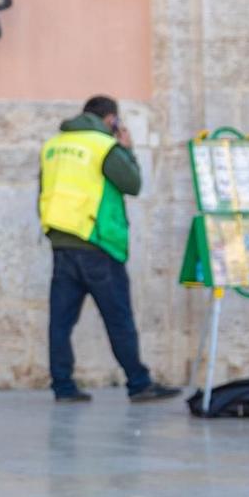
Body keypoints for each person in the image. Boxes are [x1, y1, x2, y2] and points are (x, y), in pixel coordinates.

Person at [39, 95, 181, 404]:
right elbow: (132, 183)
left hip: (62, 242)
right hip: (97, 242)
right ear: (110, 119)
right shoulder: (103, 146)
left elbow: (44, 189)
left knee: (61, 322)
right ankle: (139, 383)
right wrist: (128, 150)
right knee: (119, 318)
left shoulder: (54, 145)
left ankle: (63, 386)